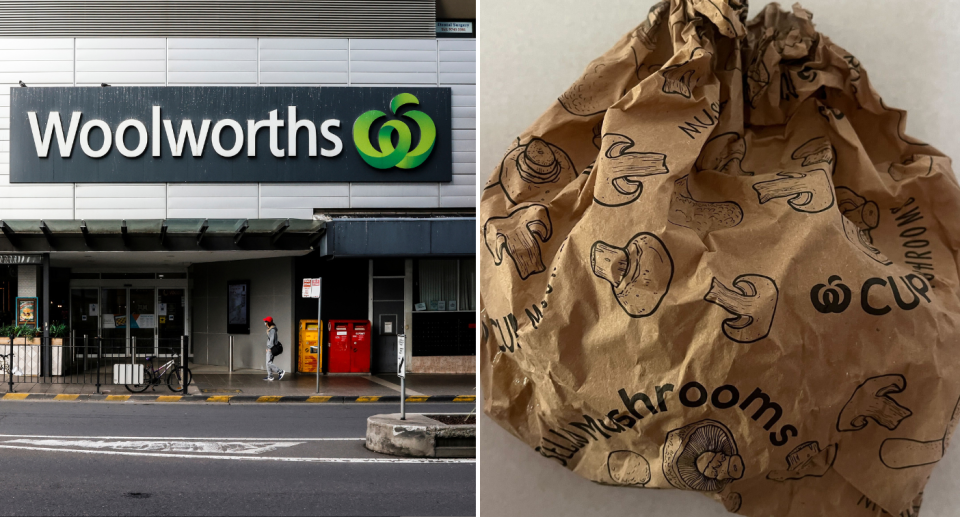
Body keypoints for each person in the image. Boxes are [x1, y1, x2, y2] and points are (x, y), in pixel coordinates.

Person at [263, 316, 285, 381]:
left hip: (271, 348)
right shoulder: (270, 329)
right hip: (269, 347)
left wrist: (269, 348)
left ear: (268, 322)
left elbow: (272, 340)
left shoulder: (272, 330)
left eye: (265, 321)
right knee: (268, 362)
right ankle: (270, 376)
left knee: (268, 363)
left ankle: (280, 371)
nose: (264, 322)